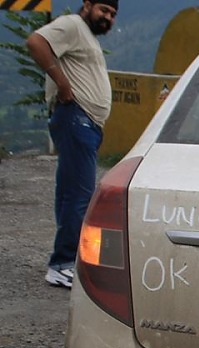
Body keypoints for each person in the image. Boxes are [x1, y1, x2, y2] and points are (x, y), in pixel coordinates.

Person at [26, 0, 118, 288]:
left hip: (84, 123)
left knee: (71, 194)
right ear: (87, 5)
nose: (108, 17)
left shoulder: (84, 33)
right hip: (76, 118)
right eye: (104, 9)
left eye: (113, 14)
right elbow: (36, 42)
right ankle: (63, 263)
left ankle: (66, 260)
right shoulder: (73, 25)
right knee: (79, 195)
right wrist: (63, 84)